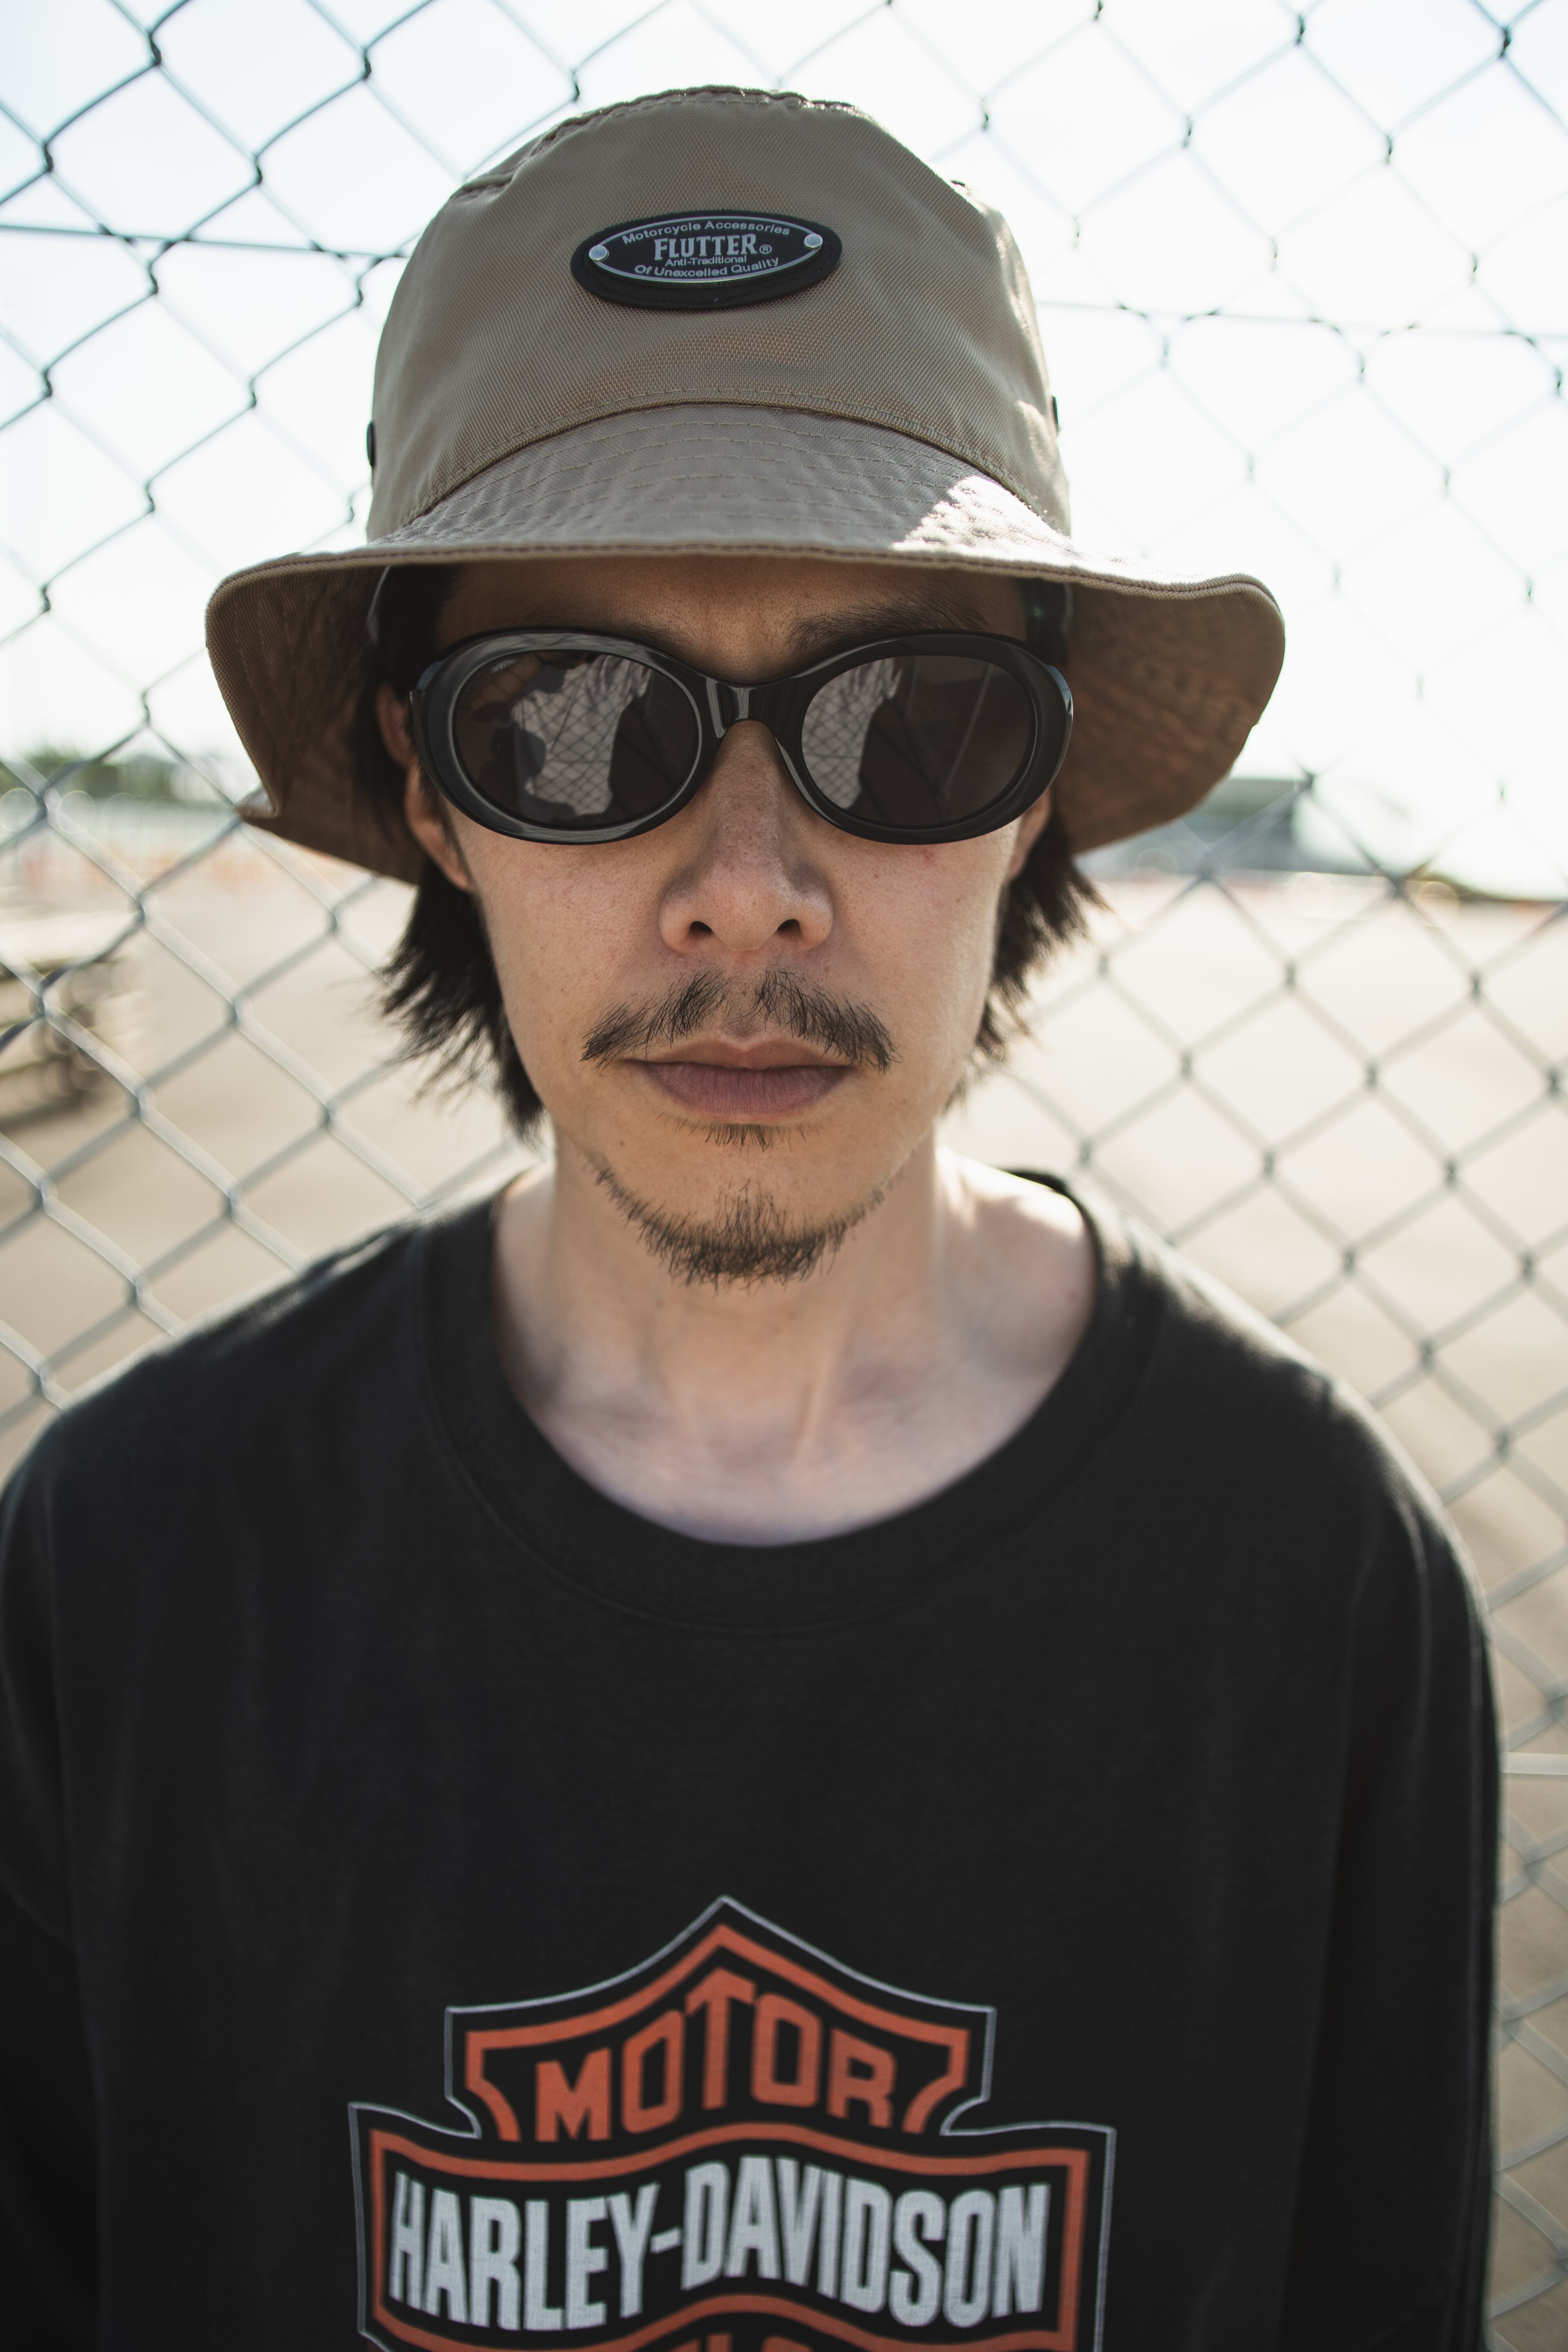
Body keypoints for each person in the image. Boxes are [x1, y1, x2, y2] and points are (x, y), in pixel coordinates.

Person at [0, 86, 1495, 2352]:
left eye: (910, 724)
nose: (747, 891)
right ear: (430, 792)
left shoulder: (1308, 1579)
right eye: (571, 724)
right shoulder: (135, 1573)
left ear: (1036, 795)